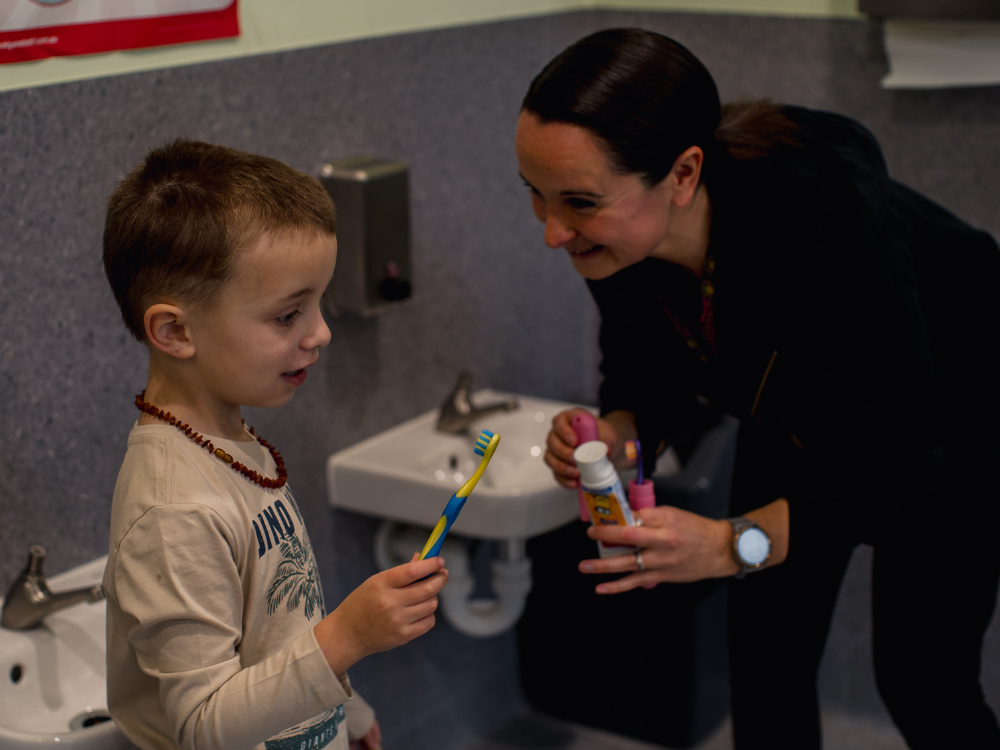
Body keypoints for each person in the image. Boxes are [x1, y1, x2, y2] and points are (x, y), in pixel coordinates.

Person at [517, 28, 1000, 750]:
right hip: (794, 421)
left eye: (579, 202)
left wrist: (730, 544)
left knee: (922, 677)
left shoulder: (820, 210)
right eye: (536, 195)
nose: (552, 232)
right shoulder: (618, 241)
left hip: (949, 423)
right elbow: (645, 367)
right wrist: (618, 432)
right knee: (766, 668)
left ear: (683, 174)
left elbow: (893, 462)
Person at [101, 140, 448, 750]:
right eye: (288, 315)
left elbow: (277, 632)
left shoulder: (230, 439)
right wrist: (350, 637)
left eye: (317, 304)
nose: (321, 333)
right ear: (175, 330)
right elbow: (204, 724)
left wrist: (348, 712)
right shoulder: (174, 512)